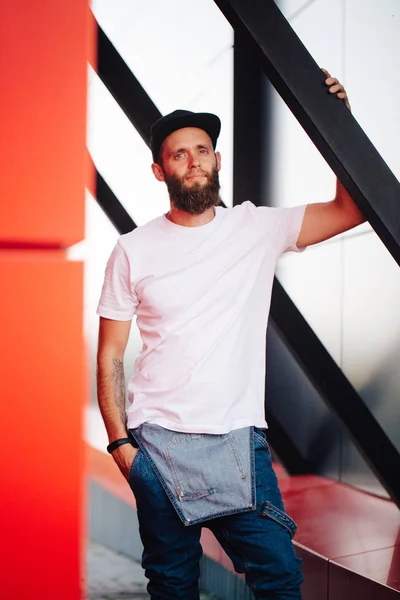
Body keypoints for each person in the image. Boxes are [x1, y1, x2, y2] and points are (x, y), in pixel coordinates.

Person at [96, 69, 365, 600]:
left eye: (202, 149)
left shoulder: (256, 227)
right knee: (172, 586)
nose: (194, 159)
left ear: (217, 160)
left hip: (238, 442)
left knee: (280, 580)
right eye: (179, 154)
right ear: (160, 170)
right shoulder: (132, 250)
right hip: (157, 442)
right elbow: (110, 354)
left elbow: (348, 209)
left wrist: (340, 120)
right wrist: (121, 445)